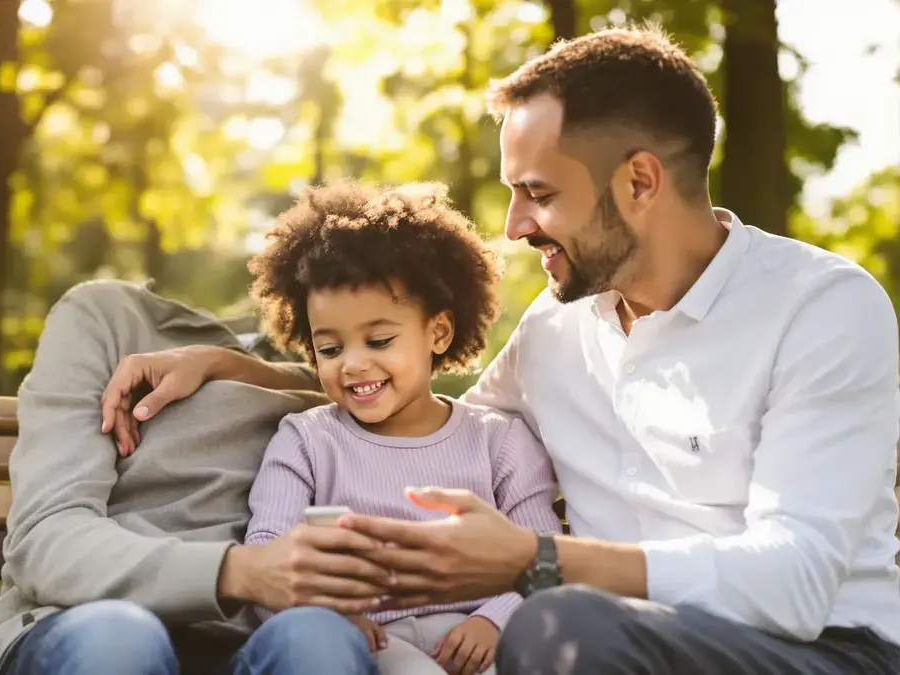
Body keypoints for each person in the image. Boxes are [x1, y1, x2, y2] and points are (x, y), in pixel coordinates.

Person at [99, 26, 900, 675]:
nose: (514, 226)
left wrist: (537, 557)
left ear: (641, 182)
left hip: (818, 651)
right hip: (609, 645)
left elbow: (795, 583)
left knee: (564, 625)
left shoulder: (822, 308)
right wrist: (230, 364)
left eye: (540, 193)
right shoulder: (558, 332)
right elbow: (409, 404)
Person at [0, 279, 394, 675]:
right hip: (90, 627)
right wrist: (237, 572)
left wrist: (224, 364)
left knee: (320, 642)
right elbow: (46, 540)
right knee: (121, 641)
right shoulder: (107, 316)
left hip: (259, 644)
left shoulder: (350, 366)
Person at [239, 180, 563, 675]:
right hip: (360, 649)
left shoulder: (498, 442)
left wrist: (494, 621)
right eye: (330, 349)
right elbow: (266, 550)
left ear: (438, 332)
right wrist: (330, 614)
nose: (353, 364)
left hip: (483, 640)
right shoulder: (306, 441)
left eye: (379, 340)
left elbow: (543, 555)